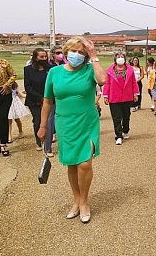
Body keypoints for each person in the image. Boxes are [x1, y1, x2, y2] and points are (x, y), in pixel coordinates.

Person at [38, 36, 106, 224]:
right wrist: (43, 126)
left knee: (85, 163)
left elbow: (102, 80)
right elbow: (47, 101)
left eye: (81, 52)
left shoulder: (89, 70)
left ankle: (84, 201)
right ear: (66, 51)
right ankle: (76, 200)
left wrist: (93, 55)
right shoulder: (54, 72)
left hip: (87, 122)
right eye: (73, 51)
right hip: (65, 124)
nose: (76, 55)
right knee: (72, 164)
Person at [103, 52, 139, 145]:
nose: (120, 58)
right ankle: (118, 135)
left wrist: (135, 93)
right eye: (118, 57)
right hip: (114, 97)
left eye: (122, 57)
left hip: (127, 96)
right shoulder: (110, 71)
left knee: (126, 116)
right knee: (116, 117)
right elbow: (107, 83)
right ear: (115, 59)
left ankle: (126, 130)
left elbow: (133, 82)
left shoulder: (130, 70)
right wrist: (105, 95)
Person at [24, 48, 52, 153]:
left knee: (49, 122)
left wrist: (47, 98)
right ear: (35, 58)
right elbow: (28, 87)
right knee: (37, 122)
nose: (44, 59)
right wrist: (40, 98)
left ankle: (48, 144)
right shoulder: (28, 70)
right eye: (41, 57)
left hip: (49, 100)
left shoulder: (51, 69)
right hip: (34, 101)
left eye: (45, 56)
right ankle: (39, 141)